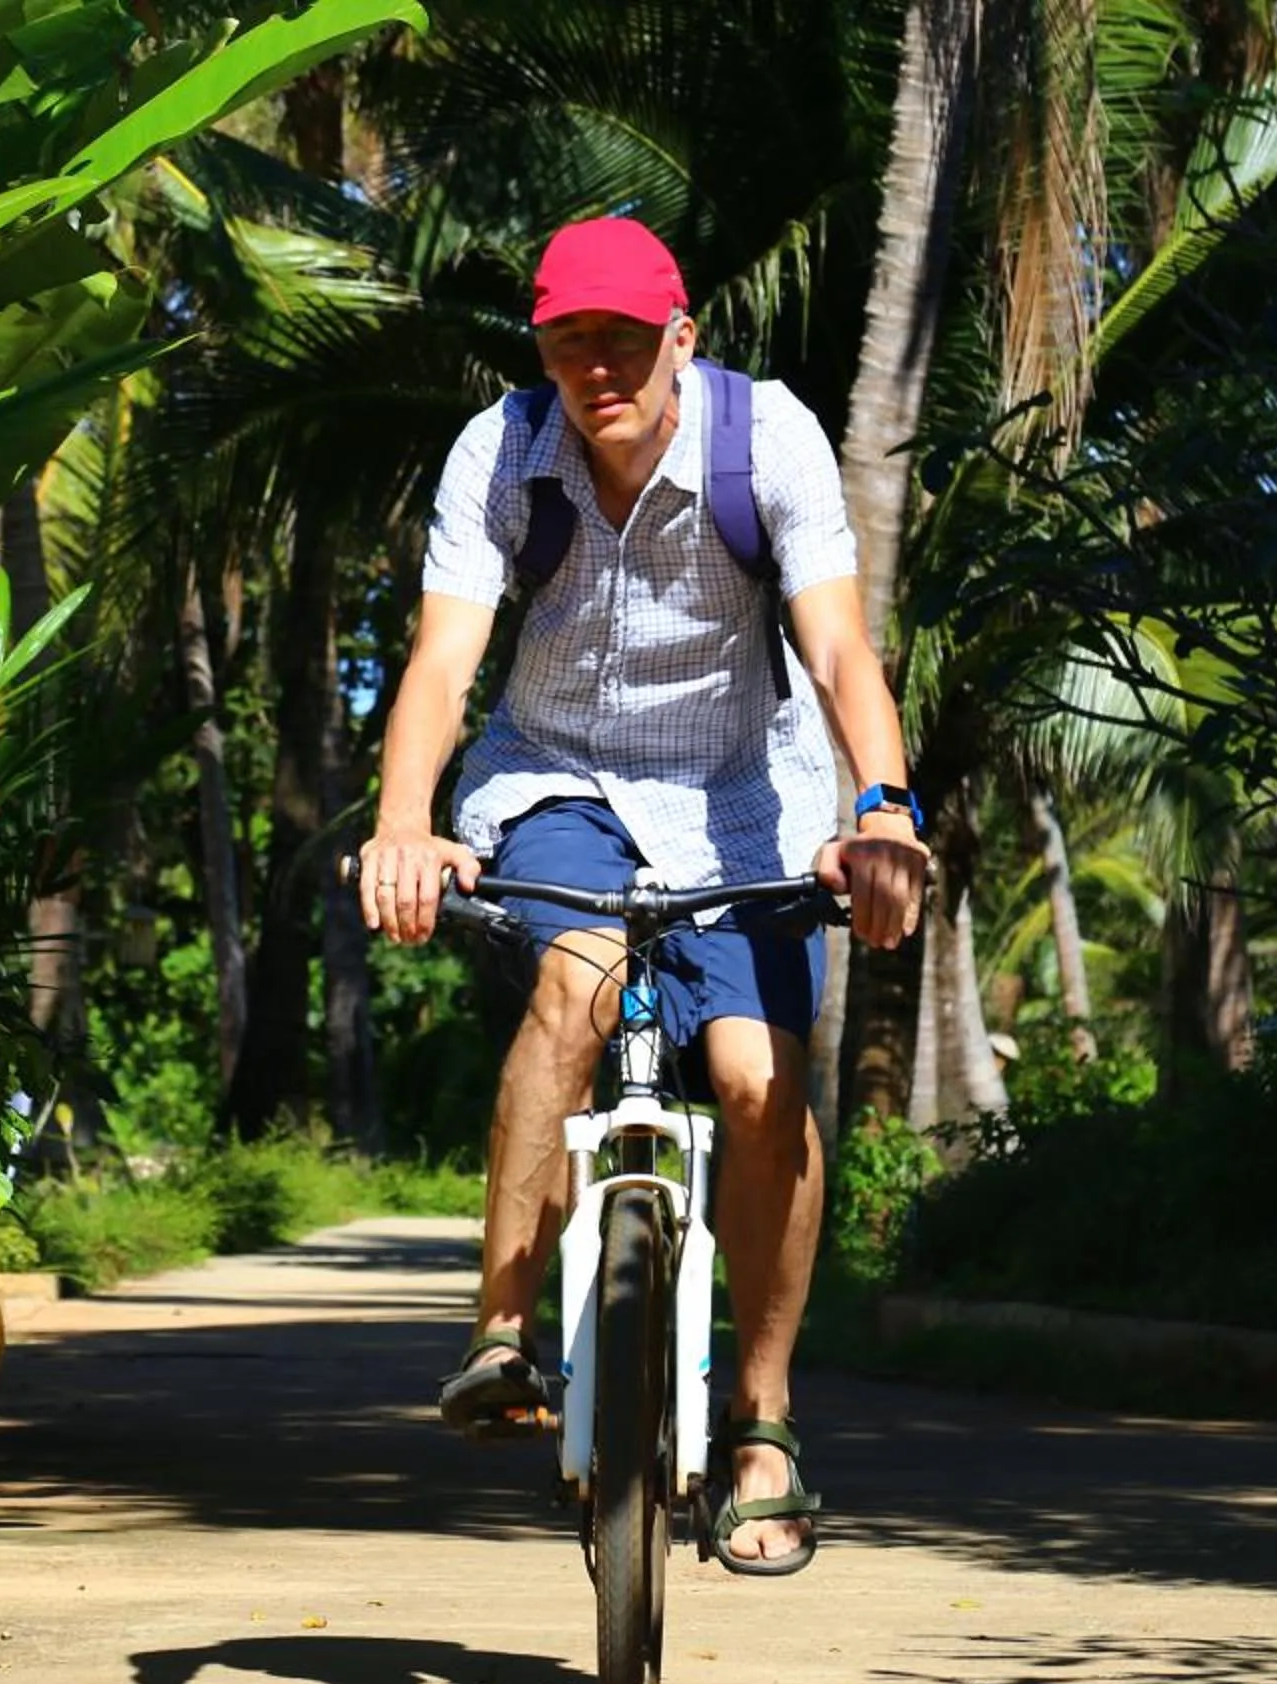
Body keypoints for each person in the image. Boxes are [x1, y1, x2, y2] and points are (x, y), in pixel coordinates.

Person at [355, 216, 928, 1579]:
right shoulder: (500, 453)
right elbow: (442, 663)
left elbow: (840, 647)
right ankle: (503, 1332)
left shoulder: (766, 439)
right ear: (542, 349)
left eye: (624, 338)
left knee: (752, 1080)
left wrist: (885, 811)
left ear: (682, 338)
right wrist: (401, 823)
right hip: (558, 779)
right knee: (580, 979)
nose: (597, 367)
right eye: (569, 342)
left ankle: (766, 1420)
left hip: (750, 798)